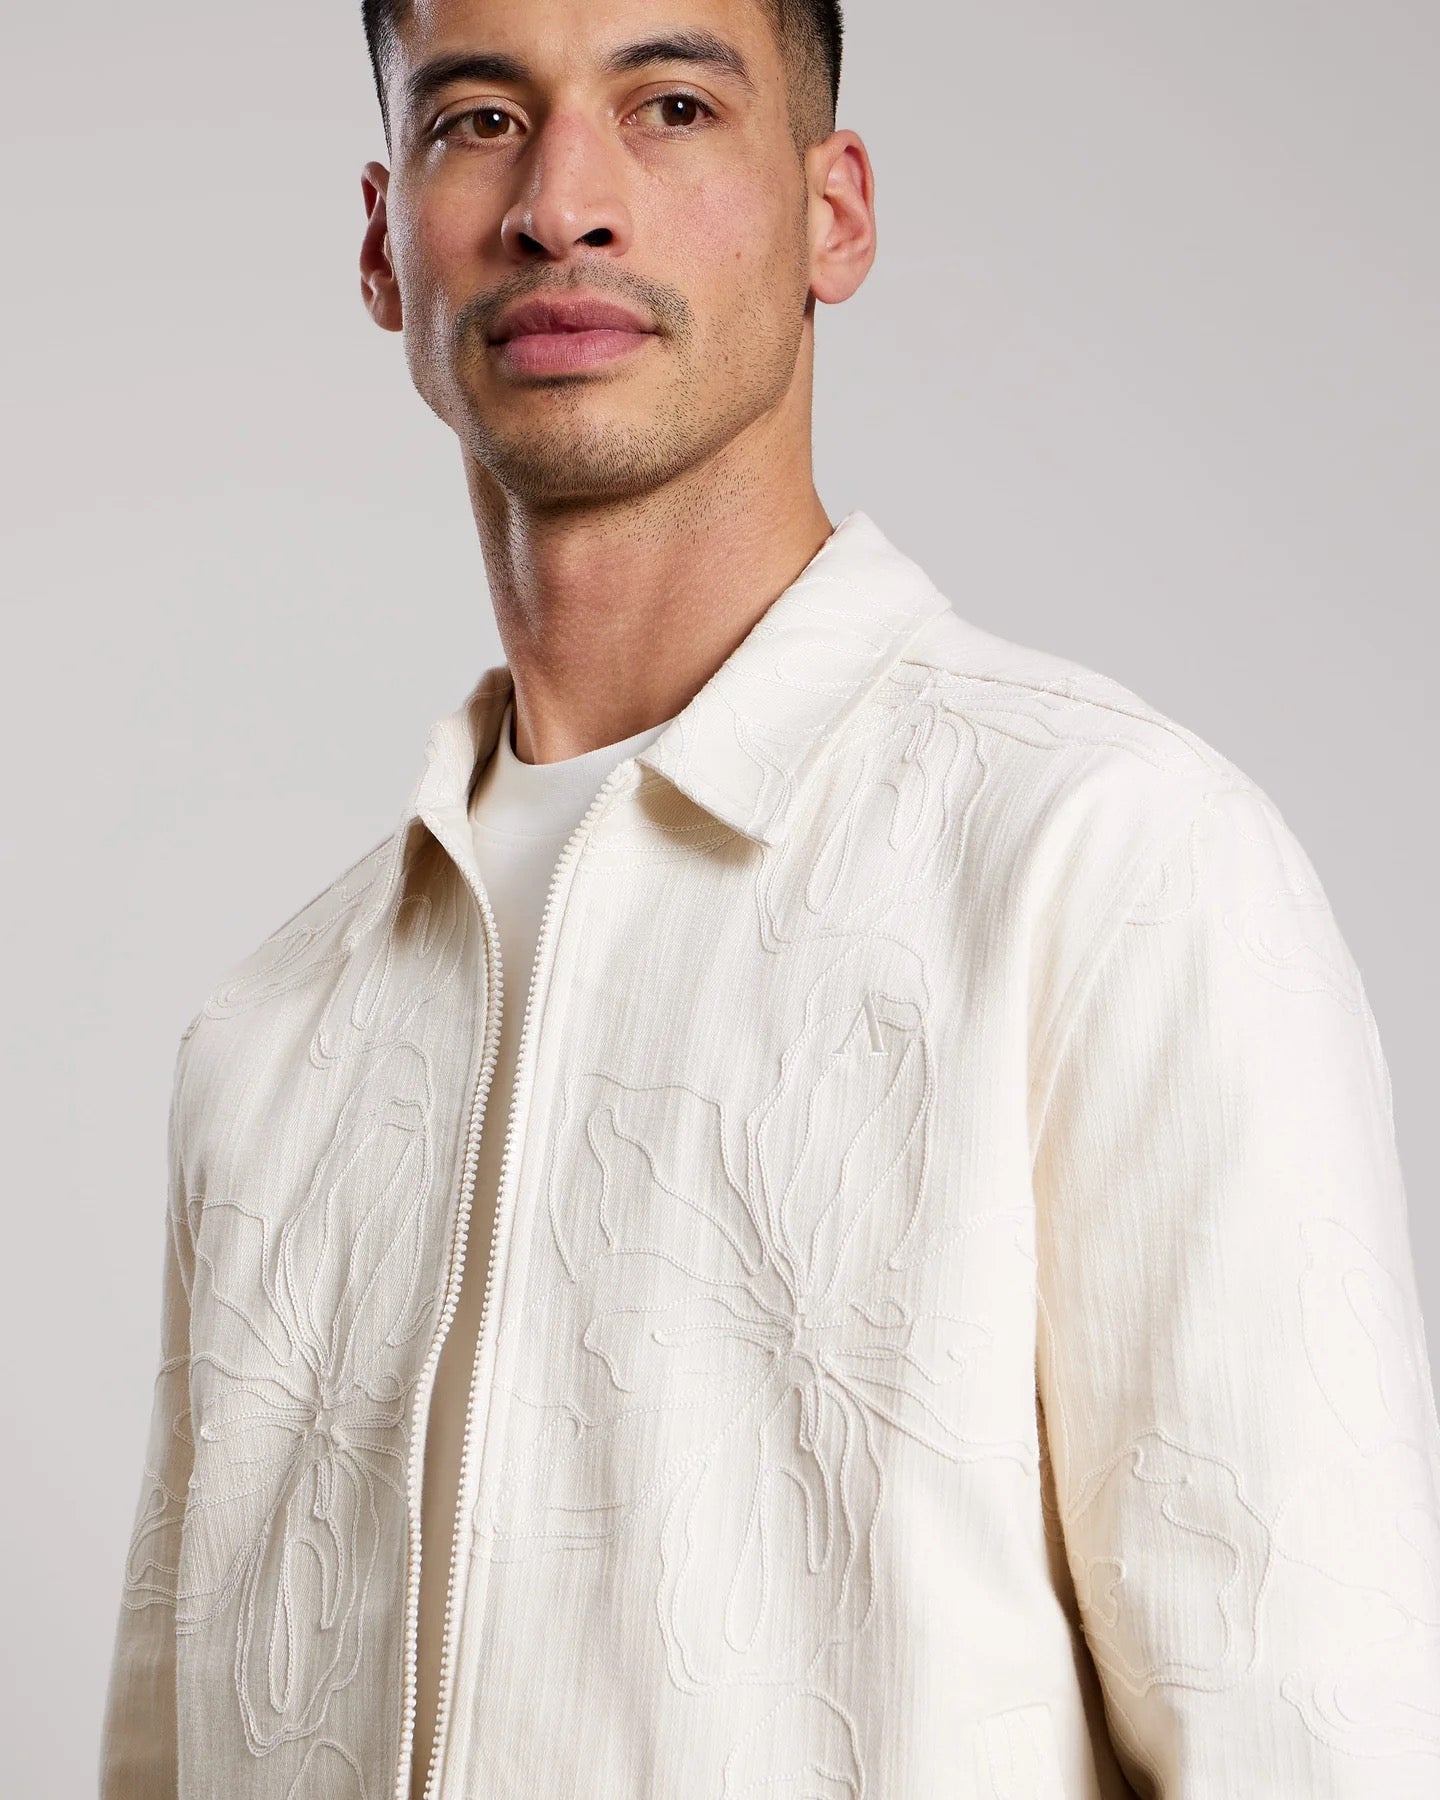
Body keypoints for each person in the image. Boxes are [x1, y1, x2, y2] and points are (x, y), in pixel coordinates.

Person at [99, 0, 1440, 1795]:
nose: (562, 203)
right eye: (479, 118)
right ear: (381, 242)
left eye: (670, 104)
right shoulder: (273, 1036)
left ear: (834, 211)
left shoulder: (1104, 865)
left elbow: (1319, 1745)